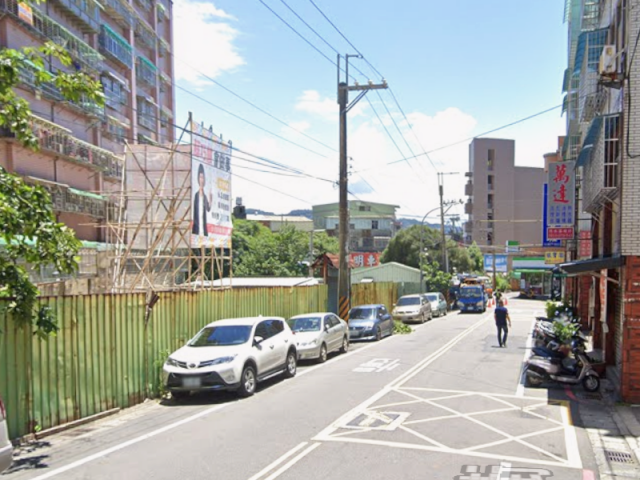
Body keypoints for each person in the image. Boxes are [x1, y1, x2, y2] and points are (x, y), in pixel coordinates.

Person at [192, 163, 212, 237]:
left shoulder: (205, 196)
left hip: (203, 229)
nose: (201, 180)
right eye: (200, 177)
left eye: (203, 177)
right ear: (198, 178)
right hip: (196, 228)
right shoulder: (196, 195)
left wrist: (210, 199)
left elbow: (208, 209)